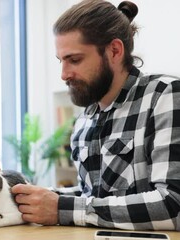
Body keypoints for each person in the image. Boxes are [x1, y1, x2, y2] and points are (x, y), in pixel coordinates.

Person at [12, 0, 180, 231]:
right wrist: (30, 199)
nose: (63, 74)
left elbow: (173, 204)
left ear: (114, 51)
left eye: (75, 59)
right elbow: (93, 198)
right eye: (61, 61)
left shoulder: (165, 95)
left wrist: (62, 207)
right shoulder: (85, 119)